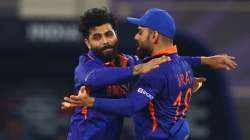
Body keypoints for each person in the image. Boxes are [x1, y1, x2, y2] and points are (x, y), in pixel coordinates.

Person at [62, 8, 237, 140]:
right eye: (97, 37)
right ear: (87, 43)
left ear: (115, 34)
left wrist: (204, 60)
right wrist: (136, 70)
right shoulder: (85, 66)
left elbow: (166, 63)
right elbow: (96, 77)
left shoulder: (127, 61)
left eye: (108, 34)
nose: (105, 41)